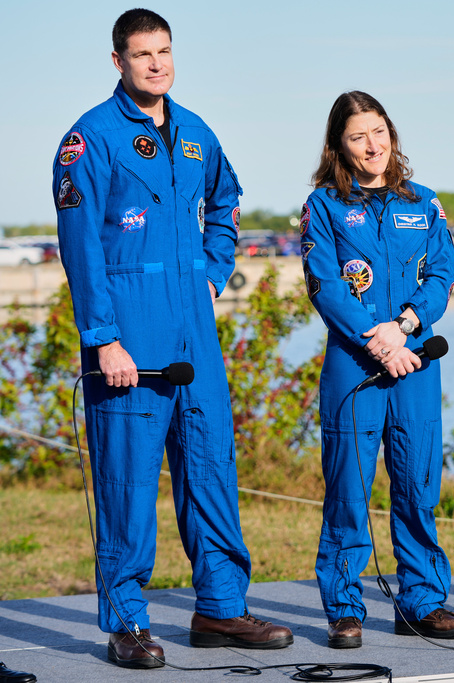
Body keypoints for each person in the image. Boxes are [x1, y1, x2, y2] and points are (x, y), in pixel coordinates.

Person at [51, 9, 292, 668]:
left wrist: (214, 275)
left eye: (163, 51)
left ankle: (219, 607)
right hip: (130, 343)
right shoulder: (90, 139)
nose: (156, 64)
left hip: (196, 341)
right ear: (117, 62)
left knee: (212, 471)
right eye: (141, 54)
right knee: (127, 483)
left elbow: (228, 201)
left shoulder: (195, 133)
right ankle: (126, 620)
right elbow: (81, 251)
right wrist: (104, 339)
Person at [301, 91, 454, 648]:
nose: (372, 146)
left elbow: (443, 270)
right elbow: (324, 284)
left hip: (415, 360)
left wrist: (408, 324)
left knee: (418, 484)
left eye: (379, 132)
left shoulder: (424, 201)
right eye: (357, 137)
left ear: (391, 135)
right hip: (355, 365)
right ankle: (345, 607)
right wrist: (380, 341)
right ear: (338, 146)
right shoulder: (323, 206)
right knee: (348, 488)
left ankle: (422, 601)